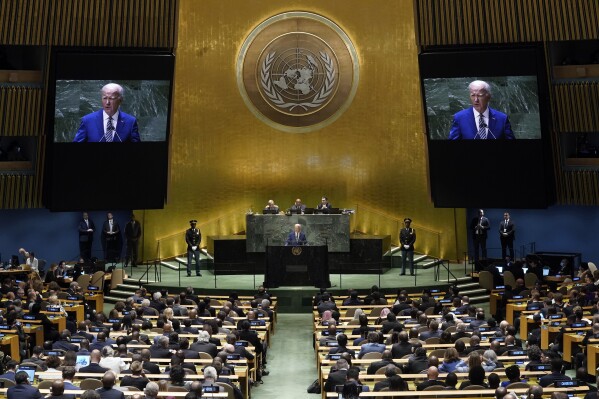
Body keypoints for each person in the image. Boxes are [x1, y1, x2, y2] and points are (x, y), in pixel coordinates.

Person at [73, 83, 140, 142]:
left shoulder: (130, 122)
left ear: (120, 100)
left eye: (111, 98)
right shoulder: (87, 120)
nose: (107, 102)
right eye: (104, 98)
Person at [448, 80, 515, 140]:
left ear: (488, 97)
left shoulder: (502, 118)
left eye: (480, 95)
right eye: (473, 95)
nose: (476, 100)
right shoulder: (459, 118)